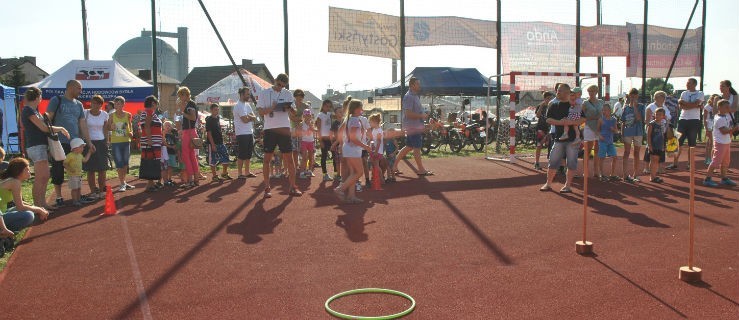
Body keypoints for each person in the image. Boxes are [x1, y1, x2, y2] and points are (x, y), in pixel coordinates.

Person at [46, 80, 94, 207]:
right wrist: (48, 142)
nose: (81, 91)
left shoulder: (79, 104)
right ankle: (59, 196)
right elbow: (47, 120)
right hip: (58, 142)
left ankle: (78, 194)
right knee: (58, 169)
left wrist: (88, 142)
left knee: (77, 167)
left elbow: (83, 124)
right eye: (79, 88)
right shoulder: (56, 100)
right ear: (70, 87)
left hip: (75, 143)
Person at [21, 87, 70, 210]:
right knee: (40, 177)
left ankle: (42, 203)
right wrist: (61, 129)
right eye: (40, 96)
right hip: (35, 146)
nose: (41, 99)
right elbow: (43, 128)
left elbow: (44, 126)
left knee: (45, 175)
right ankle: (38, 205)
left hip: (41, 146)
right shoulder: (28, 110)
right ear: (37, 97)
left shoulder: (34, 111)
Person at [256, 73, 301, 198]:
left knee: (290, 160)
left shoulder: (287, 93)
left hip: (284, 129)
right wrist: (272, 108)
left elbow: (294, 113)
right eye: (279, 84)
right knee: (267, 159)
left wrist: (290, 109)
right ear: (275, 81)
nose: (280, 87)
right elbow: (260, 112)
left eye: (283, 86)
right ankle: (266, 188)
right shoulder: (264, 93)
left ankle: (293, 187)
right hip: (269, 129)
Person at [540, 83, 584, 193]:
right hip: (558, 139)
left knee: (571, 162)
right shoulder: (554, 105)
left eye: (559, 91)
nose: (557, 93)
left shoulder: (576, 105)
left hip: (573, 140)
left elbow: (583, 119)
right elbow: (548, 120)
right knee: (553, 161)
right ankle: (548, 183)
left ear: (566, 92)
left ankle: (567, 185)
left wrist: (571, 122)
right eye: (557, 91)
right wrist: (560, 122)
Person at [391, 77, 432, 176]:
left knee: (408, 147)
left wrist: (424, 116)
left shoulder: (414, 96)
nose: (419, 86)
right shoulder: (409, 97)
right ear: (412, 85)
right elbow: (408, 114)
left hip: (414, 126)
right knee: (417, 148)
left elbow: (415, 112)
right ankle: (421, 170)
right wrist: (422, 116)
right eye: (417, 84)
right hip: (413, 128)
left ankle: (394, 166)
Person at [333, 100, 371, 203]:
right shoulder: (354, 120)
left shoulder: (350, 119)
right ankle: (340, 189)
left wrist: (342, 144)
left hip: (350, 149)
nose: (362, 110)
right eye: (360, 108)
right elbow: (353, 138)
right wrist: (365, 146)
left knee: (353, 173)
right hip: (352, 149)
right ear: (355, 109)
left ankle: (351, 196)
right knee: (359, 172)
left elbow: (341, 131)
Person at [0, 158, 49, 238]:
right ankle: (4, 232)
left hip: (3, 212)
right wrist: (39, 210)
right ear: (18, 171)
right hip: (1, 215)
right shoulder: (15, 182)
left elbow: (19, 203)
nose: (29, 172)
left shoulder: (12, 180)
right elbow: (20, 207)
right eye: (27, 169)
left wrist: (37, 208)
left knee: (31, 210)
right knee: (29, 215)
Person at [668, 78, 704, 170]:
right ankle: (674, 163)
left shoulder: (700, 93)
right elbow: (681, 106)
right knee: (678, 143)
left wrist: (687, 104)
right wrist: (694, 105)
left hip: (694, 120)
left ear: (694, 84)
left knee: (691, 144)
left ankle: (690, 164)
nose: (687, 84)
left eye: (689, 83)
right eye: (687, 83)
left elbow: (694, 104)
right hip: (683, 120)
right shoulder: (684, 93)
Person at [704, 99, 739, 187]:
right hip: (720, 143)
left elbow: (728, 129)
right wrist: (734, 129)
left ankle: (724, 178)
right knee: (716, 162)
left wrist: (733, 129)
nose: (728, 108)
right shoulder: (719, 118)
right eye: (726, 107)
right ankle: (707, 179)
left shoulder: (726, 116)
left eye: (728, 106)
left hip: (726, 142)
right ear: (719, 107)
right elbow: (724, 131)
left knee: (726, 161)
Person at [83, 95, 110, 199]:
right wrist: (88, 142)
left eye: (99, 103)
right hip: (89, 142)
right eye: (94, 103)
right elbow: (83, 127)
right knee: (91, 169)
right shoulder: (85, 113)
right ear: (91, 103)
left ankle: (102, 190)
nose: (96, 105)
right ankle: (93, 191)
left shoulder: (104, 114)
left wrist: (107, 141)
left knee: (102, 169)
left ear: (101, 105)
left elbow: (106, 129)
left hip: (101, 142)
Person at [108, 96, 135, 192]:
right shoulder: (111, 115)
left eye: (119, 103)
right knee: (119, 162)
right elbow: (108, 127)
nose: (117, 105)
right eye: (115, 104)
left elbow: (130, 127)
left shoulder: (128, 115)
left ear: (123, 104)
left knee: (125, 162)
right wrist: (111, 127)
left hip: (126, 141)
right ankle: (122, 183)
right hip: (116, 142)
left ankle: (124, 182)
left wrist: (131, 133)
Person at [176, 87, 201, 188]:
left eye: (180, 95)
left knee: (187, 156)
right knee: (192, 157)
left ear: (184, 94)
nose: (180, 98)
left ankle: (190, 181)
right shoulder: (191, 104)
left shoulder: (189, 105)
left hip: (188, 133)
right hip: (191, 132)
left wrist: (183, 112)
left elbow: (193, 117)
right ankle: (195, 179)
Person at [139, 95, 164, 192]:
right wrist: (150, 140)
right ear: (153, 103)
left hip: (152, 141)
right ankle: (149, 184)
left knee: (152, 161)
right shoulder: (149, 112)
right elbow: (147, 126)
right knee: (151, 161)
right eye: (156, 103)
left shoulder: (148, 112)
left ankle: (152, 183)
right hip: (151, 142)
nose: (157, 105)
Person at [620, 88, 645, 183]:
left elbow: (639, 118)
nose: (633, 97)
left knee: (636, 153)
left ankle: (636, 174)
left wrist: (635, 107)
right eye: (632, 95)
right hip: (627, 132)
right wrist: (622, 134)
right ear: (629, 96)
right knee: (626, 152)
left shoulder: (641, 107)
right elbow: (623, 122)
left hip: (638, 132)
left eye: (635, 95)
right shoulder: (625, 108)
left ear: (637, 96)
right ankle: (625, 174)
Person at [232, 87, 257, 179]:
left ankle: (247, 172)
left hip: (249, 132)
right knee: (242, 154)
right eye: (247, 94)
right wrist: (249, 117)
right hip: (241, 133)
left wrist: (249, 117)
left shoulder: (247, 105)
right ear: (242, 94)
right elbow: (245, 120)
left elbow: (254, 117)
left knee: (248, 154)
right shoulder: (238, 105)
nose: (249, 95)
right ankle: (239, 173)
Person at [205, 103, 232, 182]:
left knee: (226, 157)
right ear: (211, 110)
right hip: (212, 143)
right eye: (215, 110)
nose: (217, 111)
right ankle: (214, 176)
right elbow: (209, 133)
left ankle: (224, 173)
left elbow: (218, 130)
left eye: (217, 110)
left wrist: (223, 139)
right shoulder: (209, 120)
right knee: (213, 159)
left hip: (220, 142)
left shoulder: (218, 118)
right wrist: (212, 144)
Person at [582, 85, 604, 177]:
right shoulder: (585, 103)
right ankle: (585, 171)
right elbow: (582, 117)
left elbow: (603, 113)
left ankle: (596, 171)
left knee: (597, 150)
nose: (591, 93)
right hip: (589, 127)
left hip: (599, 127)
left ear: (596, 92)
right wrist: (594, 118)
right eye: (589, 91)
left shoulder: (601, 102)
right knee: (588, 149)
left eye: (592, 91)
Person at [63, 138, 93, 205]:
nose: (83, 148)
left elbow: (85, 160)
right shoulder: (70, 155)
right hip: (72, 175)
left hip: (79, 175)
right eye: (81, 147)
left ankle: (79, 200)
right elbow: (65, 163)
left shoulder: (80, 155)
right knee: (75, 189)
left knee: (79, 188)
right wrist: (70, 169)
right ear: (75, 147)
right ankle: (75, 201)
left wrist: (89, 153)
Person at [597, 104, 620, 181]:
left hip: (610, 141)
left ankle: (612, 174)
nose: (604, 111)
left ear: (610, 111)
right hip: (602, 141)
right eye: (603, 110)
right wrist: (600, 136)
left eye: (605, 110)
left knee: (615, 157)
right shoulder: (600, 119)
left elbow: (616, 131)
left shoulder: (614, 120)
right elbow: (597, 130)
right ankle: (602, 174)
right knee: (602, 157)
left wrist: (613, 129)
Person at [290, 89, 310, 174]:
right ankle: (295, 167)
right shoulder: (291, 105)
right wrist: (301, 118)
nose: (300, 97)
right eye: (298, 95)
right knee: (294, 150)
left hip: (303, 130)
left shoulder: (306, 106)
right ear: (295, 96)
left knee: (304, 150)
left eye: (301, 95)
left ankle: (304, 168)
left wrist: (300, 120)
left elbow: (308, 118)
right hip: (293, 129)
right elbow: (291, 118)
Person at [316, 100, 335, 181]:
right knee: (324, 156)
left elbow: (337, 115)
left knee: (335, 155)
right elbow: (319, 129)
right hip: (323, 138)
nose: (328, 108)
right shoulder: (320, 115)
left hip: (330, 138)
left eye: (329, 106)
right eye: (327, 106)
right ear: (323, 106)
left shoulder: (330, 114)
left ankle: (336, 173)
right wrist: (320, 141)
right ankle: (324, 174)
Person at [534, 91, 554, 170]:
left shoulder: (553, 106)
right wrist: (541, 106)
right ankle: (537, 162)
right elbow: (538, 115)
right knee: (539, 145)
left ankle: (551, 164)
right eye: (547, 98)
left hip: (550, 128)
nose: (549, 100)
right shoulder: (540, 105)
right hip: (541, 128)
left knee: (551, 146)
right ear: (544, 98)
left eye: (550, 98)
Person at [646, 109, 667, 183]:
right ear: (654, 114)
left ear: (663, 116)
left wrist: (663, 145)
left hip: (659, 145)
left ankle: (654, 175)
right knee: (653, 160)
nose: (658, 116)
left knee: (657, 160)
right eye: (656, 114)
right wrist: (649, 146)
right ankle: (652, 177)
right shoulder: (652, 124)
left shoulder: (662, 124)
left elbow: (663, 135)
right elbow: (648, 136)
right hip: (653, 145)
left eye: (660, 115)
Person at [368, 113, 389, 183]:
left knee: (376, 166)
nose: (369, 124)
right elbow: (374, 140)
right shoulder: (374, 130)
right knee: (374, 166)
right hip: (374, 150)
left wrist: (376, 151)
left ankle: (381, 180)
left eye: (370, 122)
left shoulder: (379, 130)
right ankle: (377, 179)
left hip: (377, 151)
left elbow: (379, 142)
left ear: (375, 122)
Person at [298, 109, 316, 179]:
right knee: (304, 157)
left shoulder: (312, 123)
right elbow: (299, 133)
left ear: (311, 116)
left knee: (311, 157)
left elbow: (315, 131)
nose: (308, 117)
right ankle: (302, 172)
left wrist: (312, 128)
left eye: (309, 115)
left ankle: (310, 171)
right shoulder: (301, 124)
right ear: (303, 116)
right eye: (306, 115)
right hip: (304, 142)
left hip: (311, 142)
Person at [702, 95, 720, 165]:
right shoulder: (707, 107)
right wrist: (706, 128)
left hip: (716, 125)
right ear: (711, 99)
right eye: (713, 99)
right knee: (711, 142)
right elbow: (704, 118)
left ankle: (709, 158)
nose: (715, 101)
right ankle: (708, 158)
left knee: (711, 142)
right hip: (709, 126)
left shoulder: (718, 106)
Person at [330, 104, 346, 181]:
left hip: (344, 144)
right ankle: (338, 175)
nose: (341, 113)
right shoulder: (334, 123)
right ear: (335, 114)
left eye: (342, 112)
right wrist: (332, 141)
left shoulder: (345, 122)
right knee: (337, 160)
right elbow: (331, 133)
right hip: (337, 144)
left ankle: (344, 175)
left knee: (344, 160)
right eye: (339, 112)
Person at [162, 121, 177, 186]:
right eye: (166, 125)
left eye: (169, 125)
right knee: (166, 166)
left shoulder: (172, 134)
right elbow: (164, 142)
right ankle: (165, 180)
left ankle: (169, 179)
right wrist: (171, 146)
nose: (168, 127)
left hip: (172, 153)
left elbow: (175, 143)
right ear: (163, 127)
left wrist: (175, 149)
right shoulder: (163, 133)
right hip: (166, 152)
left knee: (171, 166)